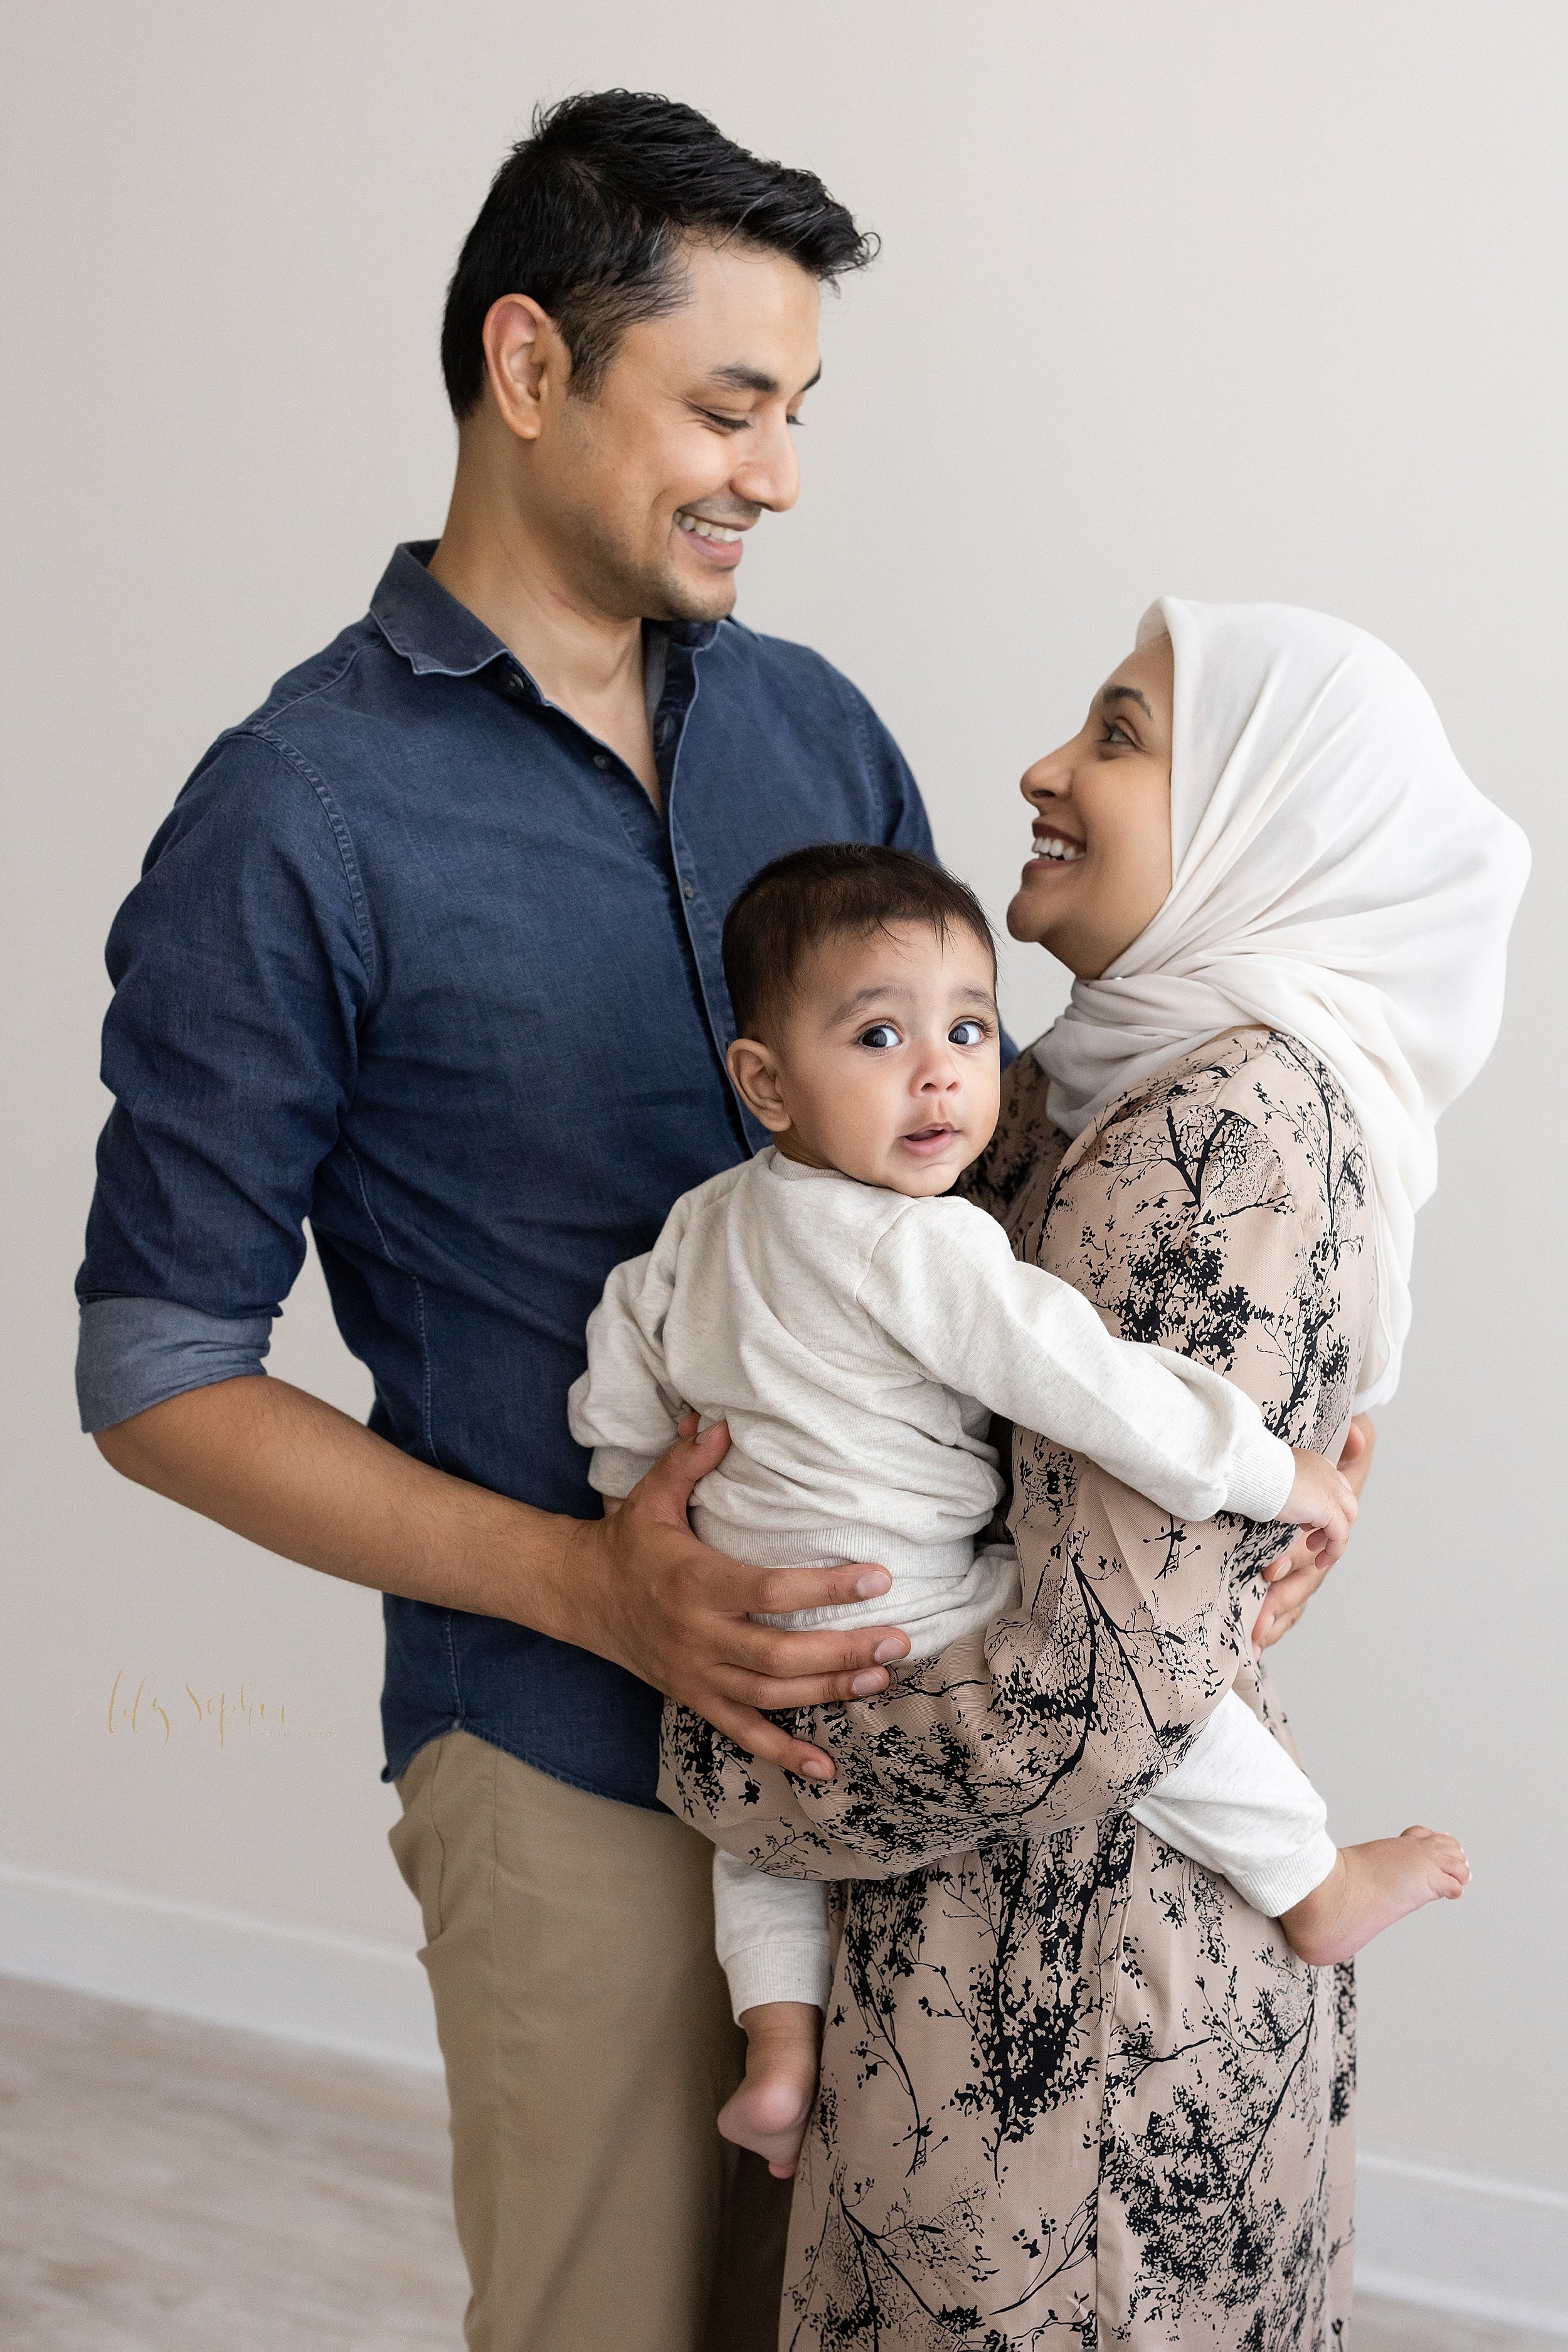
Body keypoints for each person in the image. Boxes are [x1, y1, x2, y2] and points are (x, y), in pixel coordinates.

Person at [74, 90, 955, 2352]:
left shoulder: (822, 734)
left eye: (797, 412)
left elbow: (965, 1177)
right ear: (531, 364)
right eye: (729, 407)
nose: (777, 472)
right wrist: (587, 1581)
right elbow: (157, 1371)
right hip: (559, 1757)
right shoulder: (293, 817)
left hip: (905, 1728)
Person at [662, 600, 1528, 2345]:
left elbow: (1087, 1688)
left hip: (1078, 2017)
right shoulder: (1078, 1085)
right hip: (1022, 1968)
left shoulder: (1223, 1133)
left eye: (1121, 735)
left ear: (1256, 815)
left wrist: (722, 1746)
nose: (1042, 770)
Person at [568, 841, 1463, 2183]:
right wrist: (1277, 1474)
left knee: (760, 1836)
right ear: (763, 1082)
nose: (938, 1072)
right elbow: (1091, 1386)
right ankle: (1308, 1882)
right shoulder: (920, 1246)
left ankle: (777, 2054)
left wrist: (641, 1517)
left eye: (968, 1029)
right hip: (906, 1613)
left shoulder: (695, 1231)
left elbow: (617, 1401)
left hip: (739, 1625)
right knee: (1157, 1689)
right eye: (879, 1035)